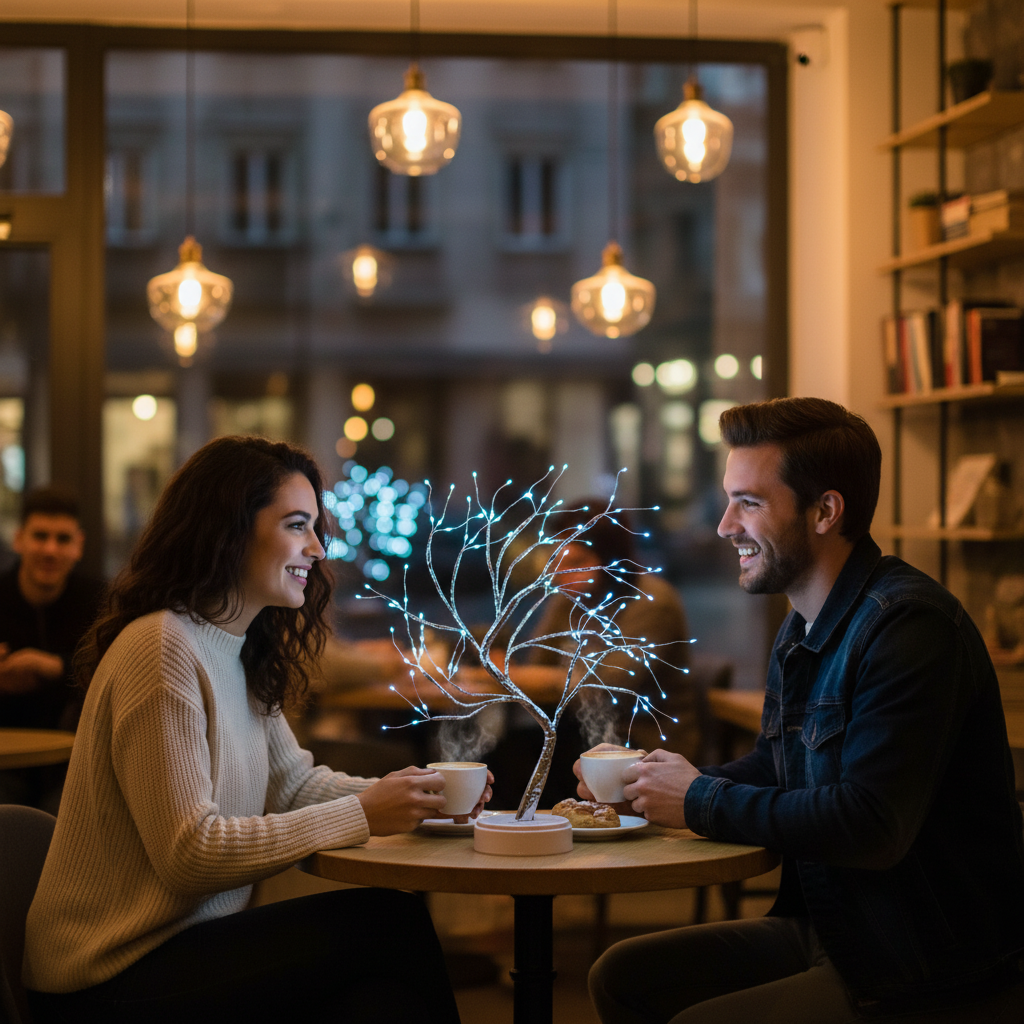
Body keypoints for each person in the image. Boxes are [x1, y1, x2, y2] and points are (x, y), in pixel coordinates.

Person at [581, 398, 1024, 1023]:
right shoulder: (803, 627)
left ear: (825, 511)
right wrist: (655, 784)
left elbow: (871, 825)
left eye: (749, 503)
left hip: (919, 961)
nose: (725, 525)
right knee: (621, 977)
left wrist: (700, 800)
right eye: (729, 500)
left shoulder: (909, 627)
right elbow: (779, 763)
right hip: (838, 928)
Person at [24, 436, 489, 1024]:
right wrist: (364, 812)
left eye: (316, 528)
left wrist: (419, 796)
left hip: (181, 950)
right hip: (104, 977)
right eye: (298, 525)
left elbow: (292, 786)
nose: (318, 549)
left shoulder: (239, 649)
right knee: (388, 926)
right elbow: (189, 853)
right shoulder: (162, 647)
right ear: (230, 529)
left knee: (376, 998)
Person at [0, 486, 104, 812]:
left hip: (74, 765)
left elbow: (113, 671)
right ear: (19, 540)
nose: (50, 549)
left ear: (79, 546)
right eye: (40, 536)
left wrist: (55, 667)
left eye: (62, 539)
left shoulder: (100, 601)